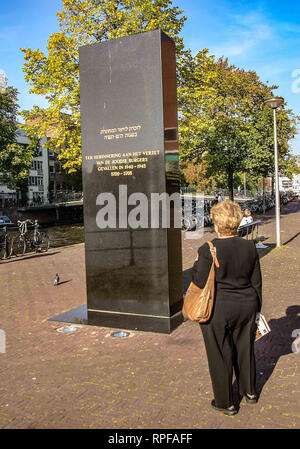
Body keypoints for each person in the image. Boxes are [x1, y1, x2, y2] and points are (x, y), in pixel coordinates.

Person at [192, 200, 262, 416]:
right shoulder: (249, 247)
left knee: (219, 353)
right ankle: (250, 391)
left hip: (217, 309)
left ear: (216, 224)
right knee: (245, 348)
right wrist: (256, 308)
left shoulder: (207, 249)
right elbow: (257, 281)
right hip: (246, 305)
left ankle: (226, 402)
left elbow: (199, 281)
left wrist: (197, 263)